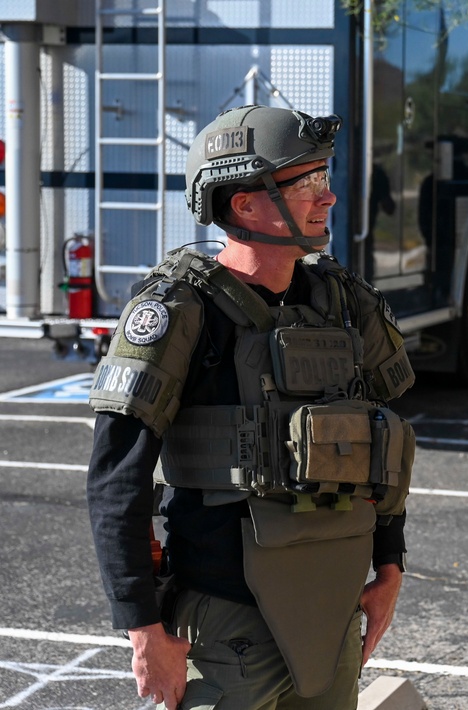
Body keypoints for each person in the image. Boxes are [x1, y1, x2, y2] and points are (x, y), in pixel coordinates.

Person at [86, 105, 415, 710]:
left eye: (324, 178)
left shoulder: (345, 304)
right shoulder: (179, 312)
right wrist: (143, 631)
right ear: (243, 203)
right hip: (226, 628)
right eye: (308, 183)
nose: (329, 198)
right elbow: (115, 482)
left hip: (334, 613)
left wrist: (389, 567)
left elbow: (387, 444)